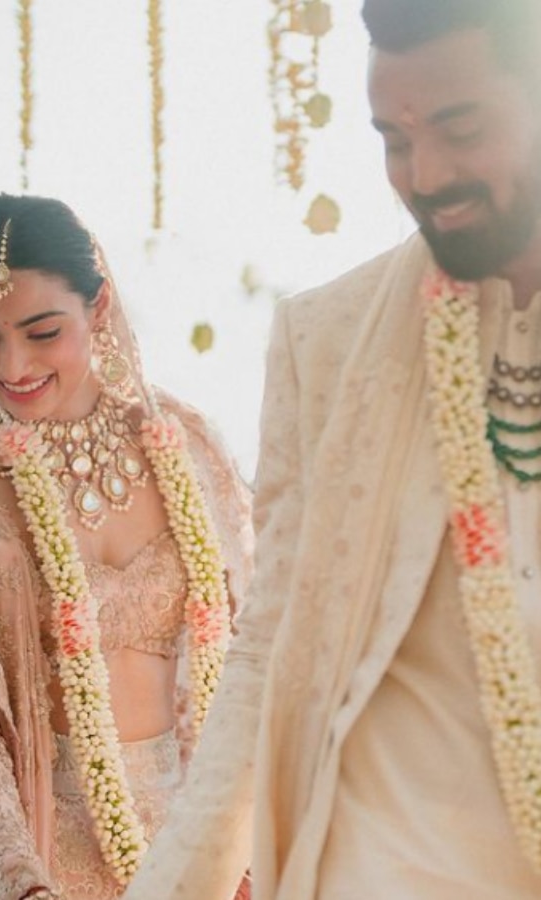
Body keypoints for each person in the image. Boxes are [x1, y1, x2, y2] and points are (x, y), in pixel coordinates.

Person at [123, 1, 541, 898]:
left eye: (461, 129)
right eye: (394, 138)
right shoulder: (328, 340)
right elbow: (269, 638)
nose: (426, 174)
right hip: (379, 861)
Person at [0, 194, 252, 899]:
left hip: (201, 854)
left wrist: (244, 844)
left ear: (99, 306)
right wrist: (21, 879)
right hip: (39, 855)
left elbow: (252, 659)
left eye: (42, 331)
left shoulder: (184, 443)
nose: (12, 365)